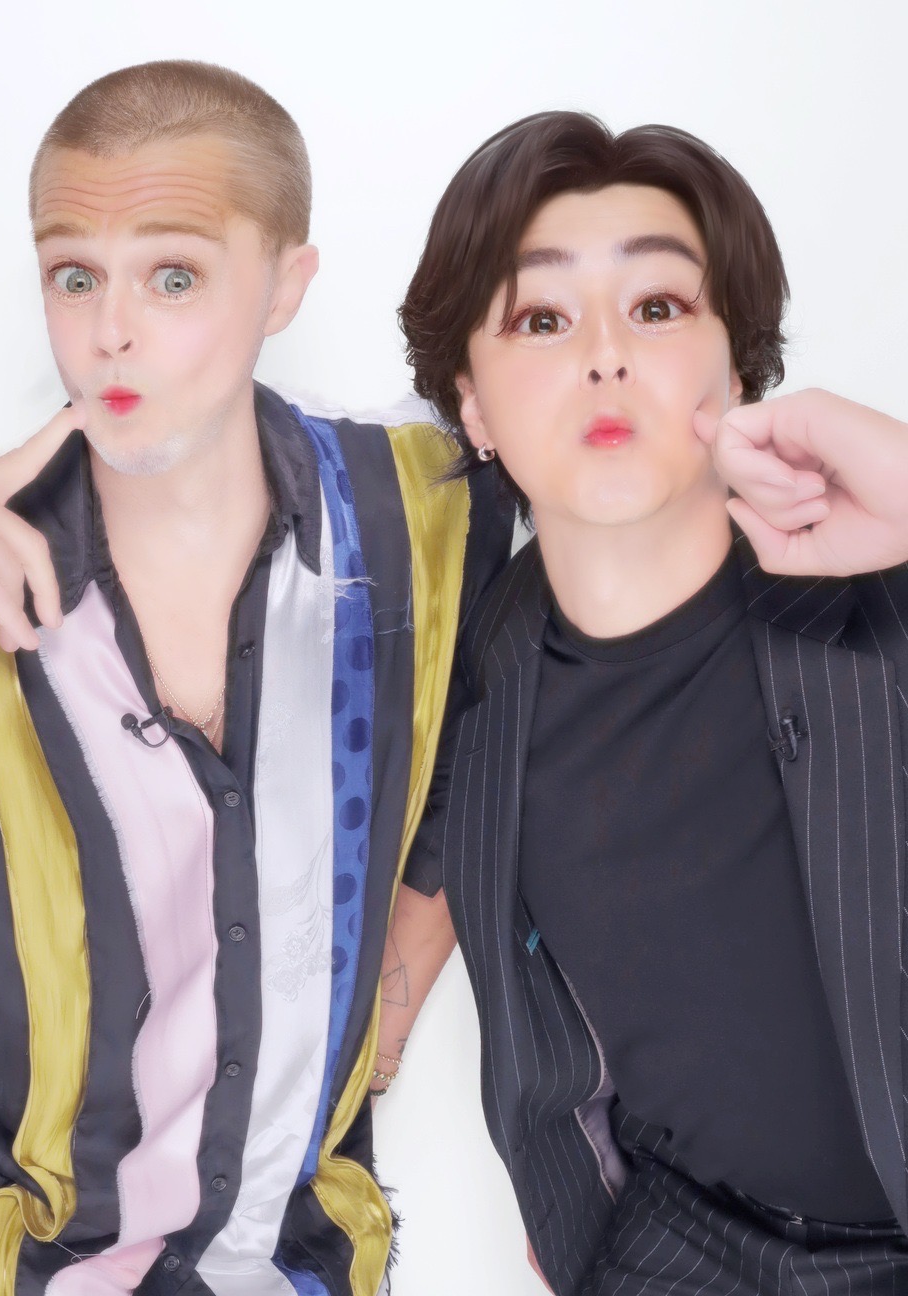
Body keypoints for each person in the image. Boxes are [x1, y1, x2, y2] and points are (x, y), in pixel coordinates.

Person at [0, 61, 509, 1296]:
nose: (110, 332)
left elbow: (503, 718)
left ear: (286, 285)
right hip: (20, 1239)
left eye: (175, 275)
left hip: (304, 1241)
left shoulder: (426, 518)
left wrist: (398, 990)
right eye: (74, 275)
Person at [387, 110, 908, 1294]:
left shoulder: (882, 583)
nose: (605, 355)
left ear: (739, 368)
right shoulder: (487, 654)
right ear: (473, 407)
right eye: (542, 319)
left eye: (659, 306)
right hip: (689, 1241)